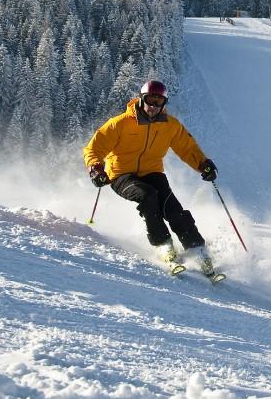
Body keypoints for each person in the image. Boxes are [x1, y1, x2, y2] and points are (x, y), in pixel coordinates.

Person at [83, 80, 220, 275]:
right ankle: (163, 243)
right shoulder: (121, 123)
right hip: (121, 174)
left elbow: (187, 148)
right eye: (150, 100)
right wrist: (96, 169)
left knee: (171, 206)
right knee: (148, 196)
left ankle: (196, 248)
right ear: (141, 99)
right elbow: (94, 148)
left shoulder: (169, 125)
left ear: (164, 103)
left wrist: (203, 164)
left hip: (152, 171)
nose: (153, 106)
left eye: (159, 102)